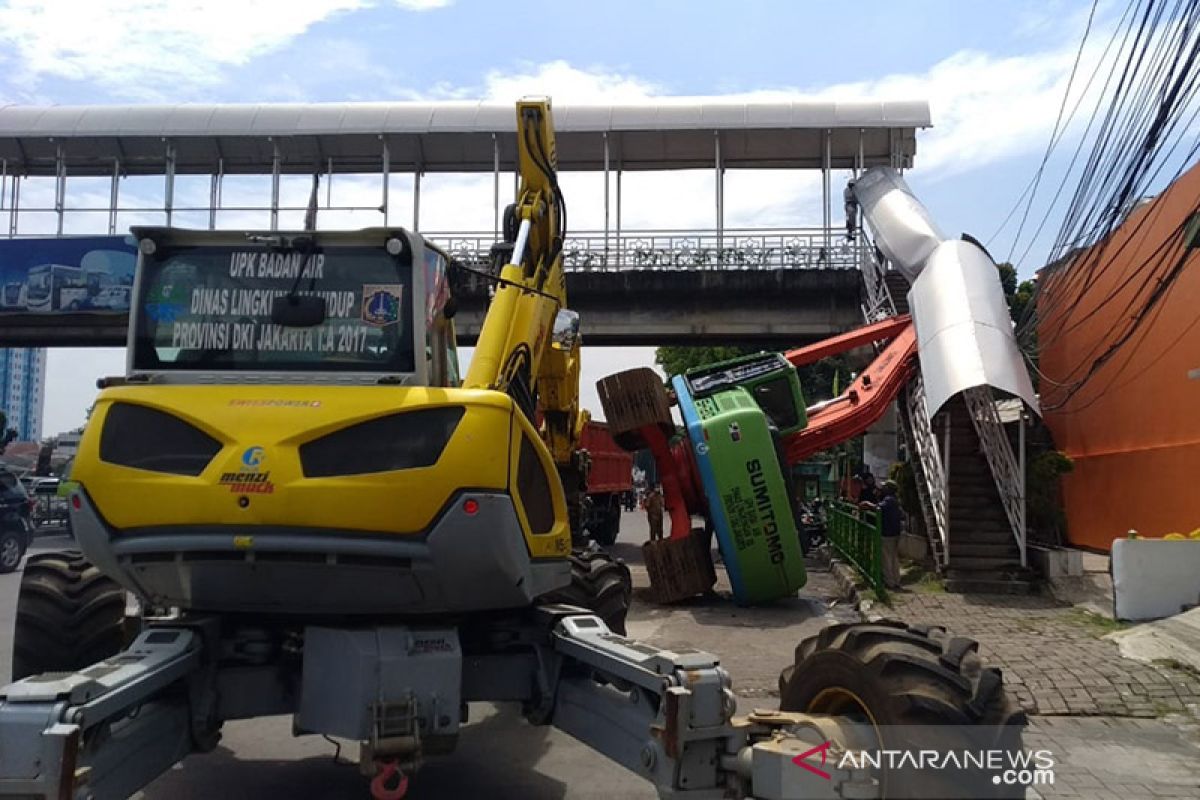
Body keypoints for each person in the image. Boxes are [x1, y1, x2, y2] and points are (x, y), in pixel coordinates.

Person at [878, 480, 903, 590]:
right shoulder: (895, 500)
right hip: (895, 532)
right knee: (893, 558)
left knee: (886, 558)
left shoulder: (888, 500)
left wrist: (867, 504)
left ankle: (889, 582)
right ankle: (896, 580)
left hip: (887, 533)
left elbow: (878, 508)